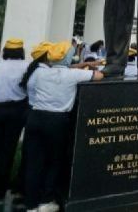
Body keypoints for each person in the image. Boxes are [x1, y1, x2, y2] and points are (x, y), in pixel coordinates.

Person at [22, 41, 102, 212]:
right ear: (67, 58)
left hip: (35, 118)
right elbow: (98, 76)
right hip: (57, 121)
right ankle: (46, 201)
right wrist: (88, 67)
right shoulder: (73, 75)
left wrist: (82, 64)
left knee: (34, 162)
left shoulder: (39, 73)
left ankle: (31, 204)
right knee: (54, 161)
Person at [0, 38, 29, 203]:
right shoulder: (27, 66)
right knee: (8, 151)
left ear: (5, 51)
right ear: (21, 51)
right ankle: (0, 193)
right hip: (17, 111)